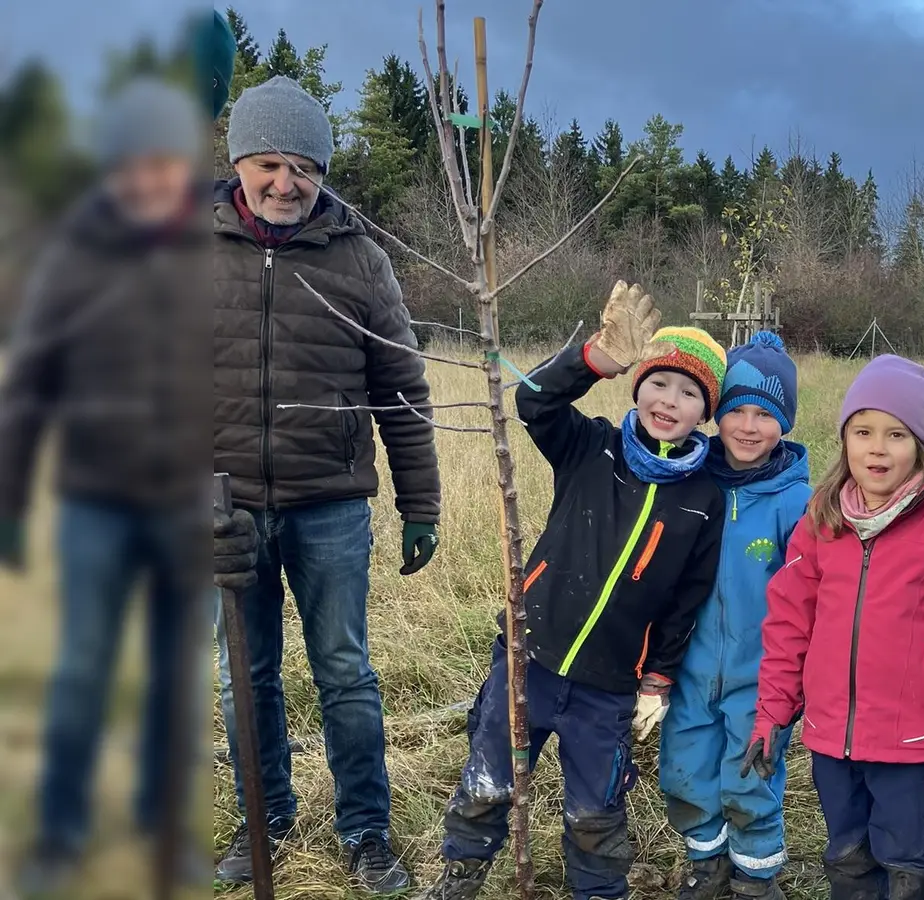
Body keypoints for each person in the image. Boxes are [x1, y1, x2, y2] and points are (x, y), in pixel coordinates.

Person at [420, 285, 727, 900]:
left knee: (596, 813)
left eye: (690, 393)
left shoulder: (703, 499)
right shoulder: (591, 447)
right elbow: (533, 401)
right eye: (660, 383)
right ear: (637, 385)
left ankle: (598, 890)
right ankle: (459, 876)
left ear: (706, 411)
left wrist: (658, 677)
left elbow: (685, 602)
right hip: (529, 658)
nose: (671, 400)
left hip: (610, 687)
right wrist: (594, 358)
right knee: (489, 781)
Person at [213, 74, 443, 892]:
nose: (284, 183)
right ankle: (263, 821)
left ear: (322, 170)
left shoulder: (360, 259)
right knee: (247, 674)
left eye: (302, 166)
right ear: (239, 162)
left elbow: (403, 391)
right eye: (267, 163)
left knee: (344, 670)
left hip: (332, 509)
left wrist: (421, 505)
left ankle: (367, 831)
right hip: (224, 509)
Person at [0, 77, 213, 896]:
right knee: (83, 667)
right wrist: (13, 503)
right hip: (95, 501)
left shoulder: (210, 250)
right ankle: (59, 833)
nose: (147, 179)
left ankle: (163, 828)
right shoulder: (74, 254)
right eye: (132, 163)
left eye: (162, 161)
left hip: (188, 504)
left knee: (177, 673)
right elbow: (28, 386)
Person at [747, 355, 924, 900]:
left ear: (921, 445)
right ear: (845, 439)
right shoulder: (820, 521)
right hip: (832, 739)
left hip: (912, 745)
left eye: (896, 434)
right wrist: (771, 712)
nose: (877, 448)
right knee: (848, 859)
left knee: (914, 867)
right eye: (863, 432)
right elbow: (789, 623)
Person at [659, 331, 812, 900]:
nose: (748, 426)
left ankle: (754, 877)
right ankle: (707, 867)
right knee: (687, 769)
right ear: (716, 415)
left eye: (764, 414)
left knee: (751, 776)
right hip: (688, 671)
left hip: (763, 676)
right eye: (736, 411)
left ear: (786, 424)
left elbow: (808, 598)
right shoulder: (691, 484)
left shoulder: (798, 502)